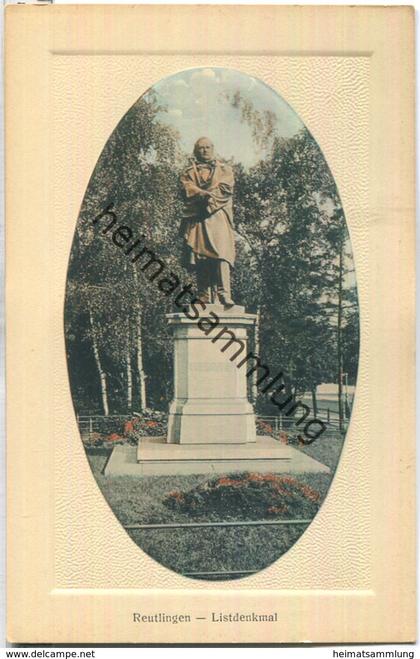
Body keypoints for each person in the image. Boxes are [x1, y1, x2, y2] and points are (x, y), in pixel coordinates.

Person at [180, 136, 235, 307]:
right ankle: (203, 295)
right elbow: (185, 188)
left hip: (218, 216)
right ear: (196, 151)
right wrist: (201, 194)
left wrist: (207, 198)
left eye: (207, 147)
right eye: (200, 148)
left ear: (213, 148)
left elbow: (225, 189)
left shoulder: (225, 169)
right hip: (198, 218)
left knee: (221, 254)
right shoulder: (188, 172)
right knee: (200, 255)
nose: (204, 150)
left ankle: (224, 294)